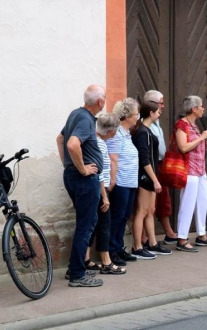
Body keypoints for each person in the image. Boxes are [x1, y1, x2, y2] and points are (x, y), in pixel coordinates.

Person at [56, 84, 105, 287]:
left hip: (73, 176)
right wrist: (82, 169)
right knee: (85, 226)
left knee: (84, 224)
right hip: (84, 180)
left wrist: (67, 164)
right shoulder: (85, 119)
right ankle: (77, 274)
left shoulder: (75, 114)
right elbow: (71, 143)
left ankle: (74, 270)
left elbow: (60, 139)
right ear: (100, 102)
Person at [174, 96, 207, 252]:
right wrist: (202, 137)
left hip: (200, 169)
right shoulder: (182, 124)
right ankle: (182, 238)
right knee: (187, 204)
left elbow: (195, 146)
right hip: (189, 170)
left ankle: (201, 235)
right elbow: (183, 147)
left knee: (202, 203)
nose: (203, 108)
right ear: (193, 109)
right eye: (201, 106)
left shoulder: (194, 125)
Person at [84, 113, 126, 275]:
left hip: (98, 189)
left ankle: (86, 259)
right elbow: (99, 174)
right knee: (104, 225)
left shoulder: (97, 141)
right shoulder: (99, 144)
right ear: (110, 131)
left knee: (94, 225)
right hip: (101, 190)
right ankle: (107, 262)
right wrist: (104, 197)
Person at [131, 101, 172, 259]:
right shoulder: (143, 132)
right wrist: (155, 179)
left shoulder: (147, 131)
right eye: (157, 111)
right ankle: (137, 246)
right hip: (145, 177)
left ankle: (153, 243)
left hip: (151, 176)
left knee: (150, 211)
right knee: (141, 211)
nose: (159, 113)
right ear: (151, 113)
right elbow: (145, 159)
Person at [105, 98, 140, 266]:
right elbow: (113, 159)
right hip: (120, 182)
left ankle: (118, 248)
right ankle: (111, 251)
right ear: (127, 116)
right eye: (136, 113)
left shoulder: (126, 133)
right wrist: (113, 181)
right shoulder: (117, 133)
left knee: (125, 215)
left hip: (130, 181)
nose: (138, 116)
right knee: (117, 217)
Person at [143, 90, 178, 244]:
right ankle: (143, 238)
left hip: (161, 164)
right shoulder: (144, 122)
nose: (163, 106)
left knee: (164, 199)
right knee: (148, 203)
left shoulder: (156, 121)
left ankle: (168, 232)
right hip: (150, 165)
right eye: (161, 103)